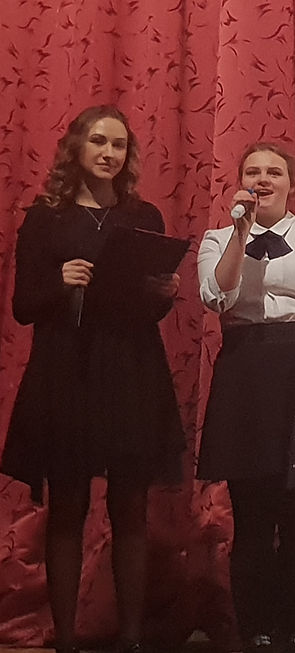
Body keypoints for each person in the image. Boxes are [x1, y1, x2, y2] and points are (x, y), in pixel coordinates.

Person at [0, 105, 185, 653]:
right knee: (68, 507)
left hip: (131, 370)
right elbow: (22, 307)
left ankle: (131, 639)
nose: (109, 153)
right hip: (67, 371)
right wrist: (59, 282)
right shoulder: (46, 217)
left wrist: (163, 295)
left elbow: (146, 308)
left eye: (119, 145)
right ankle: (65, 640)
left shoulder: (143, 215)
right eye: (100, 142)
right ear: (77, 147)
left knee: (130, 509)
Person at [196, 142, 295, 652]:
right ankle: (257, 630)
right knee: (251, 515)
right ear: (241, 183)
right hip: (245, 375)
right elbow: (216, 296)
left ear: (293, 185)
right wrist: (239, 233)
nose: (263, 179)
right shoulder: (217, 239)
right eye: (253, 172)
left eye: (274, 172)